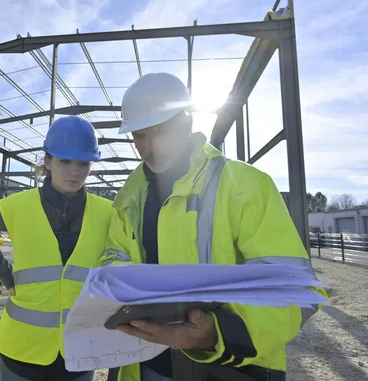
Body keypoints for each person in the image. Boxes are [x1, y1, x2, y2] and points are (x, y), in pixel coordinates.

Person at [98, 73, 327, 381]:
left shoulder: (244, 186)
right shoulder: (129, 200)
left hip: (227, 369)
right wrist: (113, 284)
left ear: (187, 122)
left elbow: (296, 290)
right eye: (140, 135)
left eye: (161, 131)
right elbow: (114, 254)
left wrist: (217, 333)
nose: (150, 147)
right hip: (143, 366)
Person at [0, 116, 114, 381]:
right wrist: (5, 275)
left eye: (83, 163)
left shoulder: (107, 212)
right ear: (47, 161)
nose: (75, 171)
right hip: (23, 349)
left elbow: (122, 255)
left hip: (79, 347)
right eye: (65, 161)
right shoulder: (17, 205)